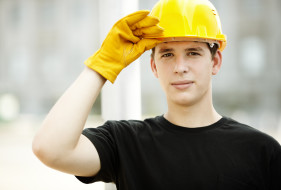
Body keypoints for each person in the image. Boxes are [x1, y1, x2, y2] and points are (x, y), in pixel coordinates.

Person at [32, 0, 281, 189]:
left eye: (193, 53)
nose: (179, 66)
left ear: (215, 62)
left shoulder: (261, 151)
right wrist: (101, 66)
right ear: (153, 66)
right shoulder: (126, 142)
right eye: (167, 54)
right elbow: (50, 148)